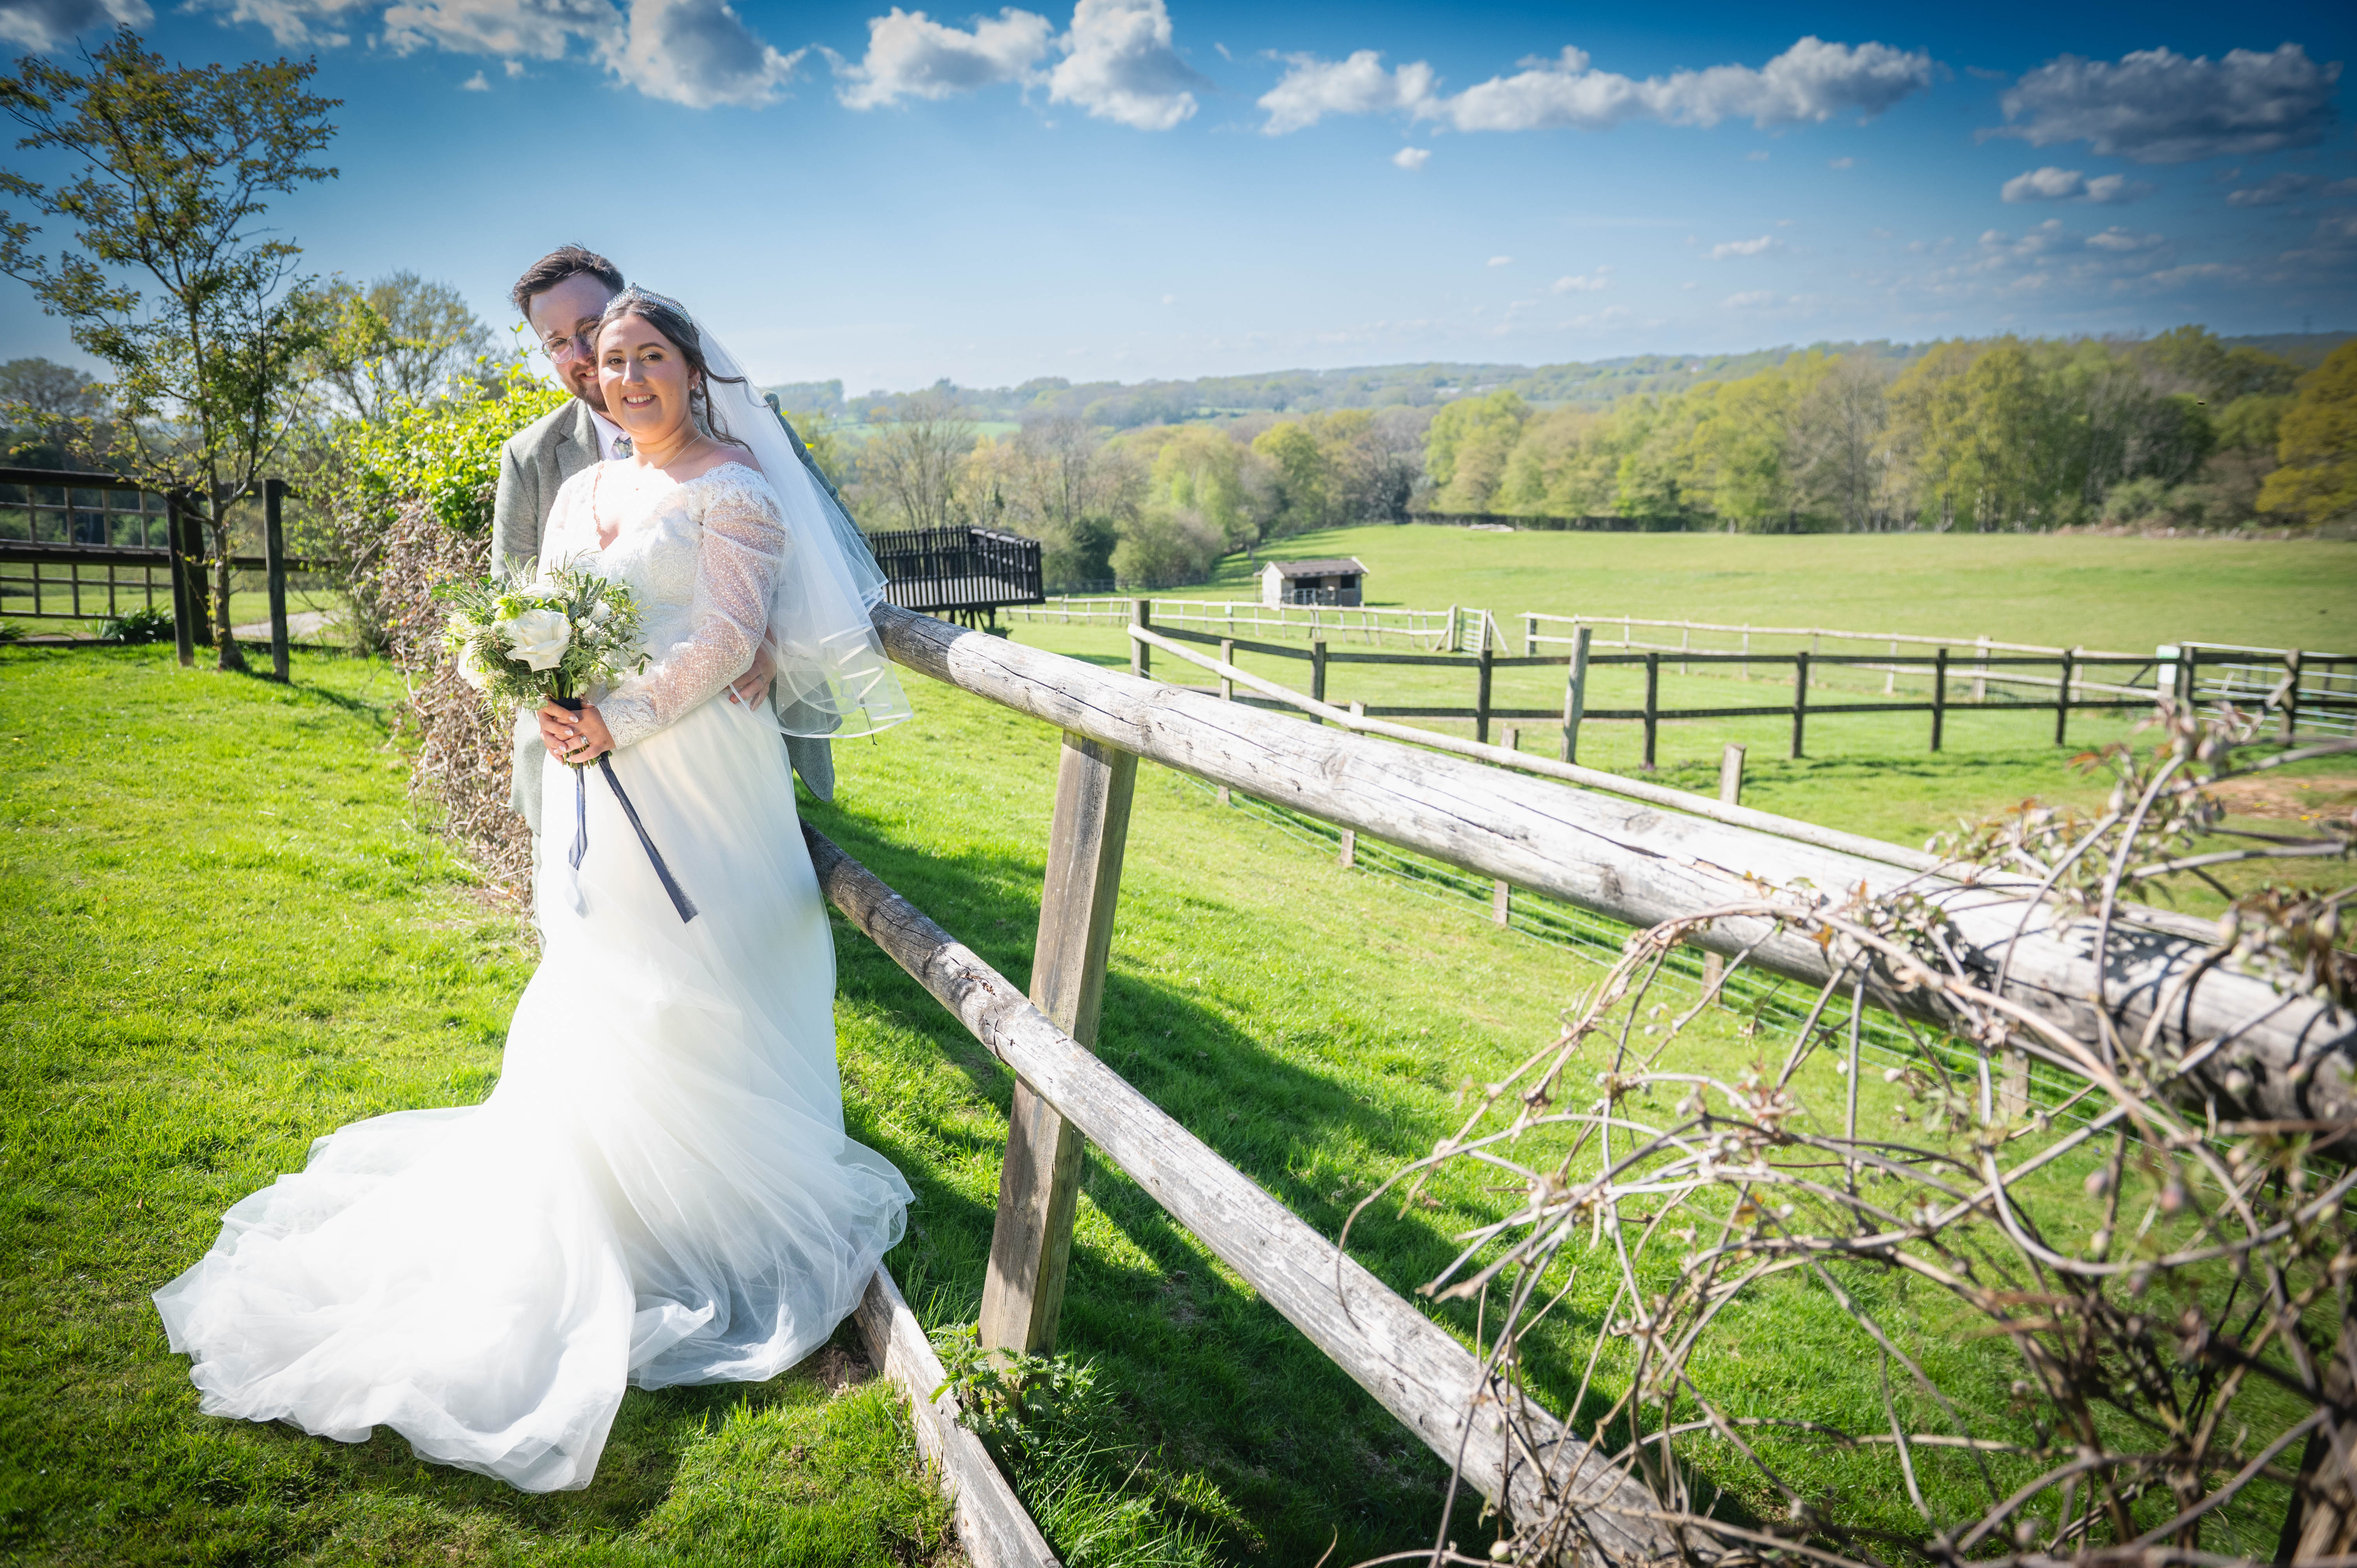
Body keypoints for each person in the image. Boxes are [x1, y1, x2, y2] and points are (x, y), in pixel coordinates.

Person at [151, 289, 915, 1493]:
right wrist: (542, 696)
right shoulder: (577, 491)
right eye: (609, 362)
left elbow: (723, 639)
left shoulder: (737, 489)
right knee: (606, 980)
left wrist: (617, 717)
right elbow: (538, 614)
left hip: (699, 775)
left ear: (694, 368)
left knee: (709, 980)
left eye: (649, 358)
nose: (626, 380)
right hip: (587, 776)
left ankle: (715, 1213)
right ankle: (611, 1201)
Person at [492, 245, 837, 825]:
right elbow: (511, 600)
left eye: (590, 329)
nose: (579, 354)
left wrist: (772, 640)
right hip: (576, 751)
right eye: (556, 343)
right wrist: (544, 699)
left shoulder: (747, 430)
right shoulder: (533, 458)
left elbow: (835, 552)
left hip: (710, 741)